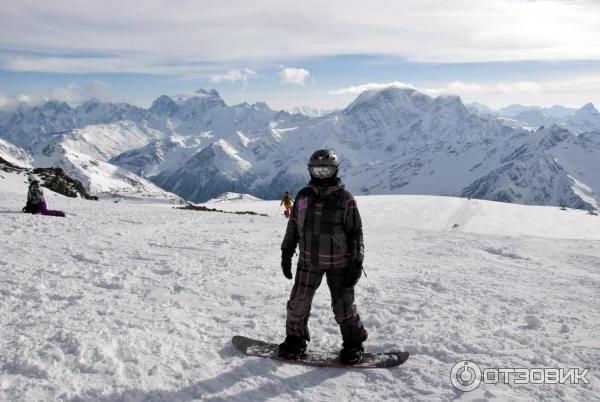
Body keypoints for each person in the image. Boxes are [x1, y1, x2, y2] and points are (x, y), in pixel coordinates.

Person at [278, 149, 367, 365]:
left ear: (335, 171)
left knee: (343, 306)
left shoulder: (345, 199)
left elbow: (356, 232)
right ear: (310, 170)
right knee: (298, 303)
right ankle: (295, 340)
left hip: (340, 263)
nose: (321, 174)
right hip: (308, 261)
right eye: (317, 170)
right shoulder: (303, 196)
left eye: (326, 170)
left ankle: (354, 343)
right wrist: (286, 252)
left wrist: (356, 262)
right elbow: (293, 226)